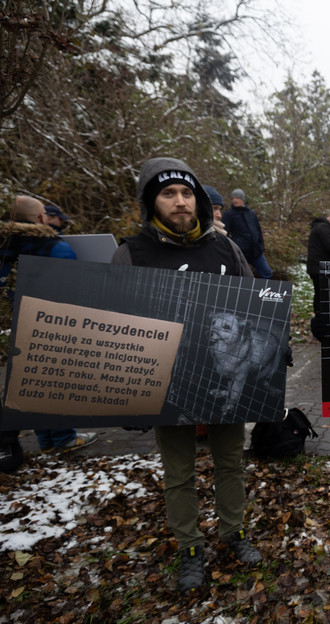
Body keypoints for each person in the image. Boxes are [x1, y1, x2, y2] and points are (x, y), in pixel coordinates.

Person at [111, 158, 262, 593]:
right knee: (178, 471)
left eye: (186, 193)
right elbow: (114, 319)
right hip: (167, 381)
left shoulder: (224, 248)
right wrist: (123, 390)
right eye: (167, 193)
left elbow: (253, 299)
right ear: (150, 202)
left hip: (224, 375)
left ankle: (233, 532)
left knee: (230, 461)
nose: (180, 201)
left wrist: (274, 350)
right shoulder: (132, 253)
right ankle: (190, 547)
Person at [1, 196, 97, 455]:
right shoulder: (54, 246)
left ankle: (46, 441)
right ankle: (65, 438)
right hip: (55, 320)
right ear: (41, 218)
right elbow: (74, 288)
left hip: (19, 319)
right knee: (59, 378)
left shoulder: (4, 244)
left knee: (31, 379)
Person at [223, 188, 272, 278]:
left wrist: (261, 246)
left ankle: (264, 292)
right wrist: (233, 248)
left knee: (267, 273)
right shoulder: (229, 214)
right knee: (242, 277)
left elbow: (258, 231)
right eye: (233, 198)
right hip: (240, 253)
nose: (235, 200)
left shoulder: (251, 214)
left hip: (256, 251)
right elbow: (224, 234)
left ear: (243, 199)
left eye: (237, 198)